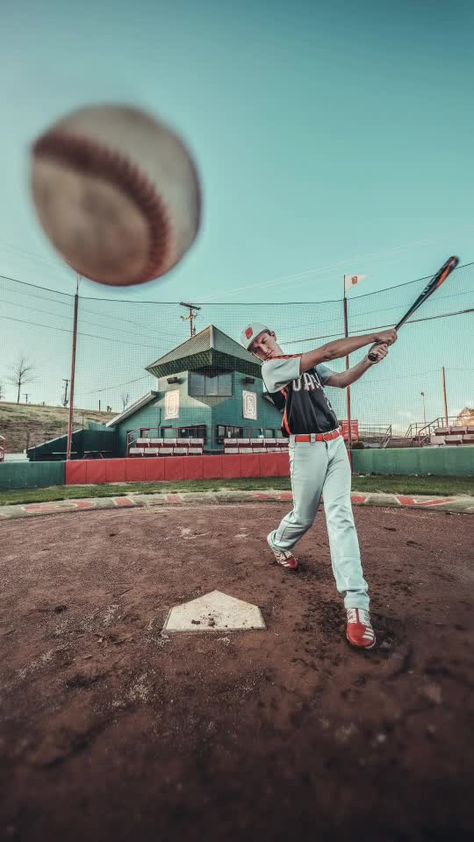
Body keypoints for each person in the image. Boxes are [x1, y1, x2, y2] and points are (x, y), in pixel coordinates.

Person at [240, 322, 397, 650]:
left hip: (335, 443)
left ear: (274, 335)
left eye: (265, 340)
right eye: (256, 347)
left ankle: (357, 604)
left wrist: (369, 359)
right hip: (305, 448)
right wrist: (375, 335)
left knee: (341, 516)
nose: (263, 348)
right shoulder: (272, 370)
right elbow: (327, 351)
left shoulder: (306, 364)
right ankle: (278, 541)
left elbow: (340, 380)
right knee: (304, 516)